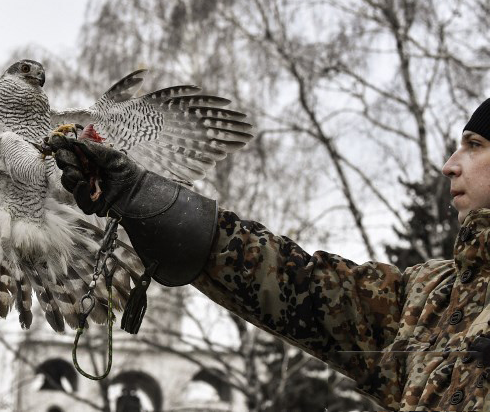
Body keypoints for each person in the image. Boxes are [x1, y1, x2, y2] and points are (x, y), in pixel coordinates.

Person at [46, 100, 490, 412]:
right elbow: (304, 289)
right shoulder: (434, 295)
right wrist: (143, 197)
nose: (451, 164)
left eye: (474, 145)